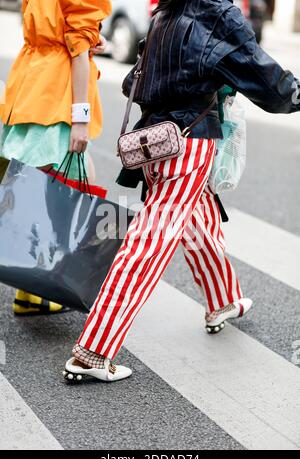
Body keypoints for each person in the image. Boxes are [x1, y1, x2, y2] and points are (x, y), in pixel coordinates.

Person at [64, 0, 300, 383]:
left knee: (198, 224)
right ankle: (93, 351)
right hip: (189, 145)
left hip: (153, 143)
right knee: (148, 244)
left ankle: (224, 301)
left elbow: (131, 83)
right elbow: (268, 83)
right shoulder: (217, 13)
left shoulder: (164, 14)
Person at [0, 0, 112, 315]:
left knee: (33, 192)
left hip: (30, 85)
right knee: (61, 193)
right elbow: (76, 52)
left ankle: (30, 292)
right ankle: (38, 286)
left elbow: (54, 29)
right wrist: (81, 118)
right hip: (57, 96)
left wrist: (92, 39)